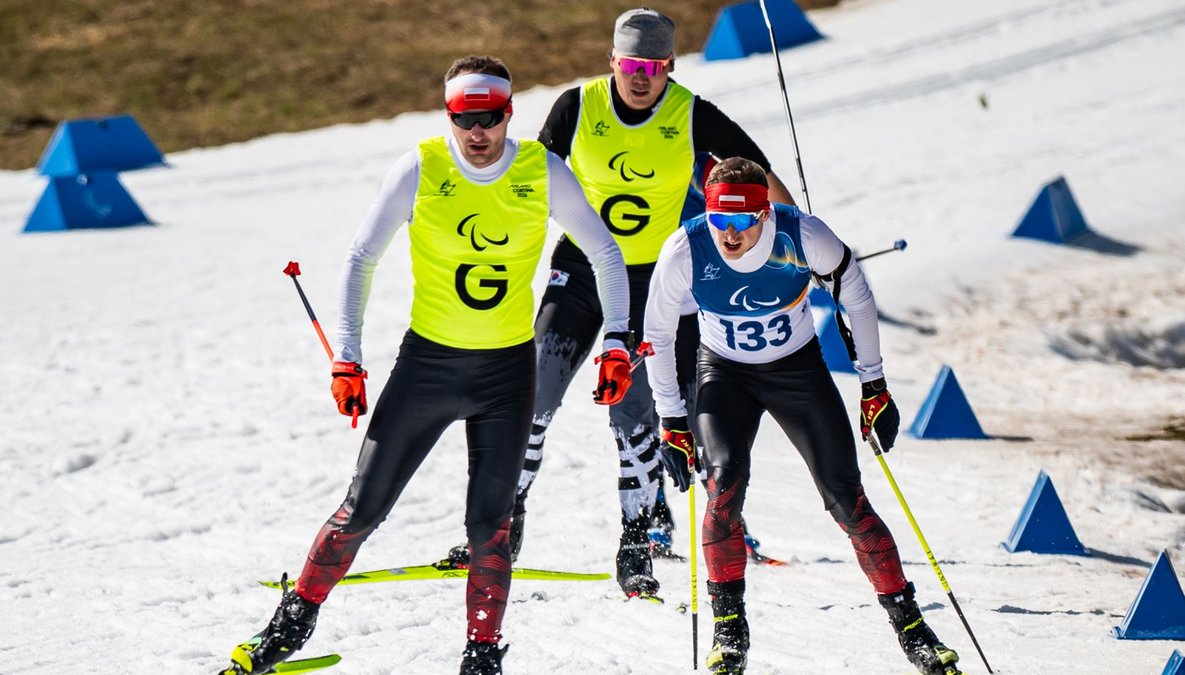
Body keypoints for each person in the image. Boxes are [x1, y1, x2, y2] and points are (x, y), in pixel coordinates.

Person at [217, 56, 631, 675]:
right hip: (428, 368)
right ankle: (288, 627)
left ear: (508, 113)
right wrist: (348, 360)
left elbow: (604, 251)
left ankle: (482, 655)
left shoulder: (541, 172)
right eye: (466, 119)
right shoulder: (420, 167)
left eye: (490, 118)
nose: (478, 133)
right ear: (450, 115)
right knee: (363, 507)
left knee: (490, 523)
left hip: (506, 376)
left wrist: (618, 341)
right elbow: (360, 258)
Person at [507, 6, 796, 598]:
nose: (642, 77)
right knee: (535, 393)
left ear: (670, 67)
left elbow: (759, 178)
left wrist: (793, 244)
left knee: (636, 416)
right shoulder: (575, 107)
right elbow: (530, 185)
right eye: (631, 64)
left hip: (655, 287)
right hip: (581, 274)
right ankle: (505, 518)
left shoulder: (691, 114)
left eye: (655, 67)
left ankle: (636, 543)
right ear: (613, 60)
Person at [643, 157, 962, 675]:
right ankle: (729, 633)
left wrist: (874, 384)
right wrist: (672, 422)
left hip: (797, 371)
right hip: (724, 373)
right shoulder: (686, 246)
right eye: (721, 220)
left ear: (765, 214)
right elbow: (656, 335)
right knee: (723, 486)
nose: (729, 234)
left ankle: (912, 627)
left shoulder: (803, 234)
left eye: (743, 221)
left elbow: (854, 294)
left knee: (846, 500)